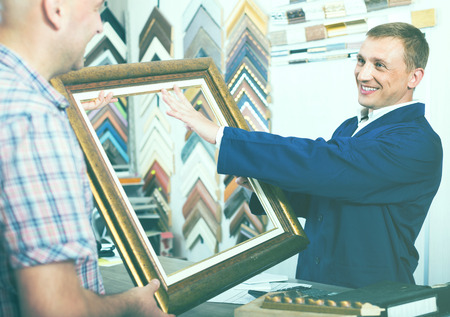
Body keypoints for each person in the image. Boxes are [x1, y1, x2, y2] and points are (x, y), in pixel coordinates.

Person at [161, 22, 443, 289]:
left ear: (414, 77)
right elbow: (325, 197)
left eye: (379, 65)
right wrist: (260, 182)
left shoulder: (417, 142)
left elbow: (322, 163)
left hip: (372, 294)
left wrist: (219, 134)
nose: (363, 74)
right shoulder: (351, 127)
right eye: (360, 61)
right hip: (316, 283)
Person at [0, 0, 173, 316]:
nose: (100, 26)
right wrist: (130, 305)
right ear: (55, 9)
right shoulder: (33, 120)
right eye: (96, 8)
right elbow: (54, 310)